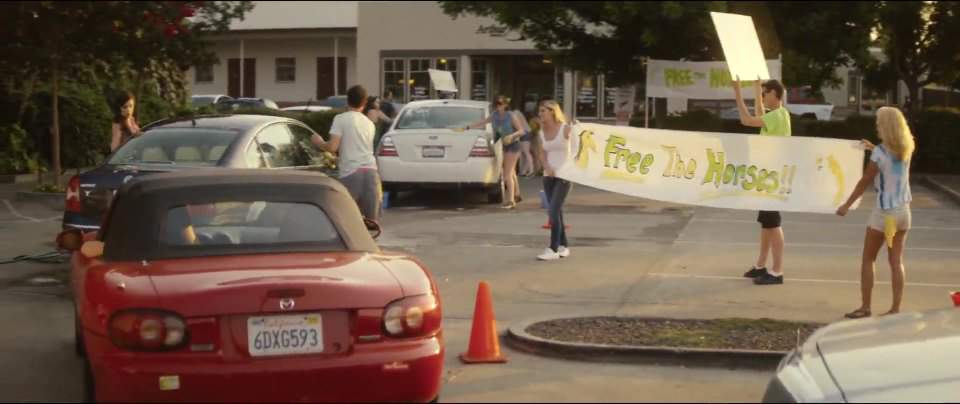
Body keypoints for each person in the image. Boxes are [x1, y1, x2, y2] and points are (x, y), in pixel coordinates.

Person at [836, 106, 915, 319]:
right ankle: (895, 308)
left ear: (886, 125)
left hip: (885, 214)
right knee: (896, 261)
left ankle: (865, 307)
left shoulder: (880, 152)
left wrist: (846, 204)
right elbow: (889, 160)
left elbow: (864, 181)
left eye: (879, 122)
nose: (877, 125)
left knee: (868, 259)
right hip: (903, 213)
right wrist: (873, 148)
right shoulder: (907, 147)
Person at [734, 78, 791, 285]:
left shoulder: (777, 115)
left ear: (775, 94)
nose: (764, 96)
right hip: (768, 175)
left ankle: (777, 271)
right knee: (766, 223)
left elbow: (747, 120)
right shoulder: (779, 115)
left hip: (772, 177)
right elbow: (759, 113)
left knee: (773, 223)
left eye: (765, 92)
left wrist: (738, 93)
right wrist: (756, 90)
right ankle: (761, 265)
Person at [311, 85, 382, 223]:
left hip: (351, 174)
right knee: (371, 223)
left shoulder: (341, 119)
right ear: (364, 103)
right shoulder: (369, 123)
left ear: (347, 100)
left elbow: (332, 147)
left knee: (345, 222)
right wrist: (340, 160)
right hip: (371, 174)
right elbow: (359, 151)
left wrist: (318, 142)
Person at [465, 95, 526, 208]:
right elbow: (483, 122)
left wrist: (512, 136)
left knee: (507, 173)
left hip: (514, 145)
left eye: (501, 104)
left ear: (505, 105)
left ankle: (511, 201)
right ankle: (517, 194)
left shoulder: (510, 115)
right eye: (497, 104)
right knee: (510, 171)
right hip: (505, 145)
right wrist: (468, 127)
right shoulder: (494, 116)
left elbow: (522, 131)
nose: (498, 106)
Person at [536, 99, 574, 261]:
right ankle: (563, 246)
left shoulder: (565, 129)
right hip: (548, 176)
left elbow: (579, 144)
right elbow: (542, 153)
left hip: (564, 176)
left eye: (543, 110)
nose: (540, 114)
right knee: (556, 211)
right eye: (540, 111)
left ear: (552, 111)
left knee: (552, 211)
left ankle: (552, 248)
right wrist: (546, 167)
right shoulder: (541, 132)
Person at [513, 108, 535, 177]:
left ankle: (531, 170)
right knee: (524, 153)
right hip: (526, 132)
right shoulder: (517, 112)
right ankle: (524, 171)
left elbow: (517, 125)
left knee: (526, 152)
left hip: (524, 133)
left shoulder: (515, 113)